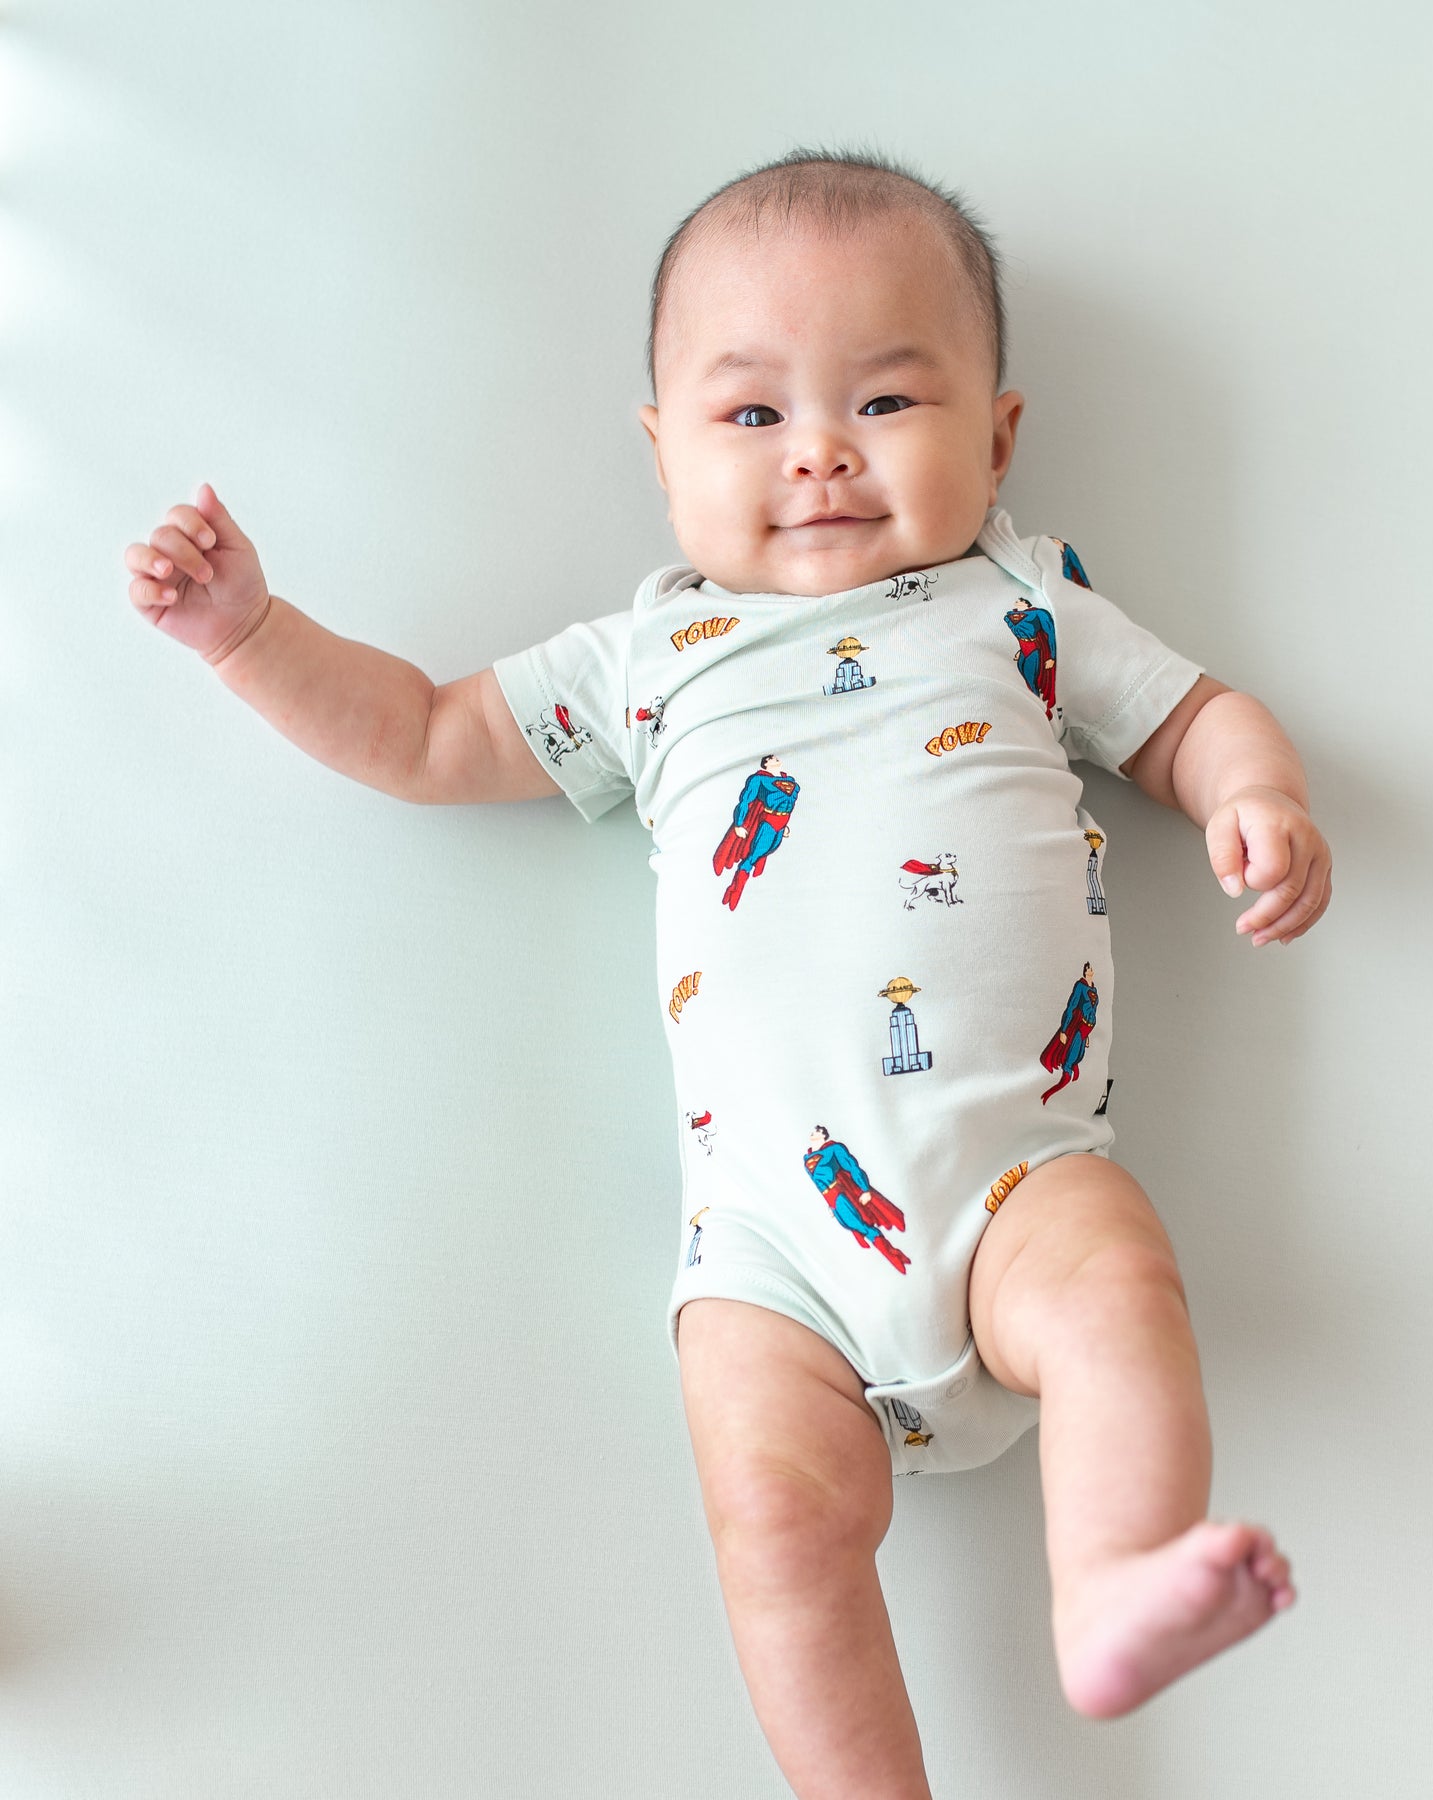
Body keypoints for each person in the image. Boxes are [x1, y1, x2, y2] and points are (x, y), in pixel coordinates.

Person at [124, 146, 1329, 1800]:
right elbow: (420, 732)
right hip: (769, 1248)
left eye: (888, 402)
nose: (822, 452)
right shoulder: (652, 656)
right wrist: (257, 638)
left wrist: (1254, 796)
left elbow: (1197, 717)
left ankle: (1114, 1574)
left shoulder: (1023, 603)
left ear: (1000, 432)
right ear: (661, 451)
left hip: (1016, 1183)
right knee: (774, 1525)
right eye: (753, 415)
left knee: (1122, 1300)